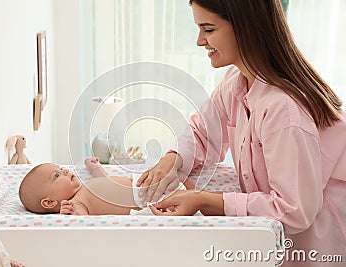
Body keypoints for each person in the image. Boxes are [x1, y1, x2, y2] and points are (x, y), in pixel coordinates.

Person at [136, 0, 346, 265]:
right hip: (280, 241)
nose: (200, 41)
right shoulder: (237, 81)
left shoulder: (283, 109)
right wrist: (172, 158)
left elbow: (294, 211)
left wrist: (208, 200)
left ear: (245, 28)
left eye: (208, 29)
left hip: (318, 246)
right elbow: (204, 131)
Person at [19, 158, 191, 215]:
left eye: (61, 168)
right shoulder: (77, 202)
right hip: (149, 201)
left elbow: (103, 178)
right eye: (56, 175)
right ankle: (201, 200)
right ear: (49, 202)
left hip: (145, 184)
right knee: (188, 198)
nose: (64, 171)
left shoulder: (86, 186)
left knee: (180, 175)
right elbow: (85, 224)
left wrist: (94, 167)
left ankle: (199, 195)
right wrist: (71, 213)